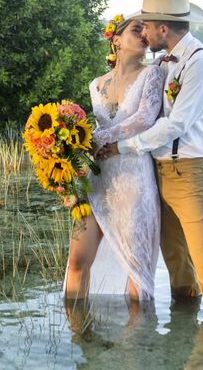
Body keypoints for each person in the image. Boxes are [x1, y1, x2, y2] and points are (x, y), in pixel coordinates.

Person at [97, 0, 203, 313]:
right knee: (177, 263)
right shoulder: (163, 63)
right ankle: (183, 337)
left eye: (146, 25)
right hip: (159, 173)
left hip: (190, 172)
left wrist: (121, 146)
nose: (143, 32)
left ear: (163, 28)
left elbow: (175, 124)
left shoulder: (199, 63)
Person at [63, 15, 164, 303]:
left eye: (146, 30)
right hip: (97, 179)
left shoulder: (152, 74)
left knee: (136, 269)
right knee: (77, 261)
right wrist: (72, 145)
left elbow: (145, 120)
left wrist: (100, 137)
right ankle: (78, 338)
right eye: (136, 29)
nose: (145, 34)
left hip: (133, 179)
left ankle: (136, 341)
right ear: (115, 39)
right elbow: (91, 130)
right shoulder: (96, 85)